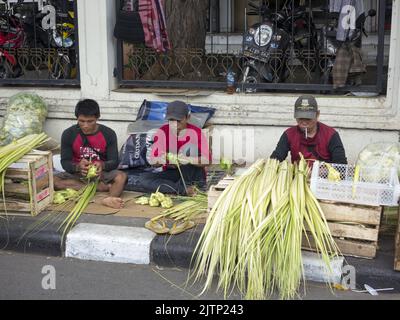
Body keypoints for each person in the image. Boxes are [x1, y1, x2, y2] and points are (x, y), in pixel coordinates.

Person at [54, 99, 127, 209]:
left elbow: (114, 162)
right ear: (76, 118)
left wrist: (102, 165)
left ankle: (110, 198)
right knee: (52, 181)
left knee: (121, 177)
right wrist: (78, 167)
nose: (86, 125)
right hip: (78, 175)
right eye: (81, 121)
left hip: (101, 175)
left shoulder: (108, 133)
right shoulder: (68, 134)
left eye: (90, 121)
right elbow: (65, 162)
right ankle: (100, 188)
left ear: (97, 118)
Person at [138, 100, 211, 196]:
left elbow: (207, 161)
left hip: (191, 175)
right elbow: (154, 162)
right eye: (171, 121)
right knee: (144, 179)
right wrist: (164, 159)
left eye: (179, 121)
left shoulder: (196, 133)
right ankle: (183, 190)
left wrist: (186, 159)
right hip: (173, 173)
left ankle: (181, 187)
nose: (175, 125)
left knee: (188, 149)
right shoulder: (163, 132)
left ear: (187, 117)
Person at [271, 95, 347, 164]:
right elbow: (277, 157)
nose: (304, 122)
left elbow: (341, 163)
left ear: (317, 114)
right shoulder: (289, 134)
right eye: (300, 118)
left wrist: (324, 172)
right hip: (298, 177)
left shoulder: (330, 135)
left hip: (322, 178)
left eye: (308, 118)